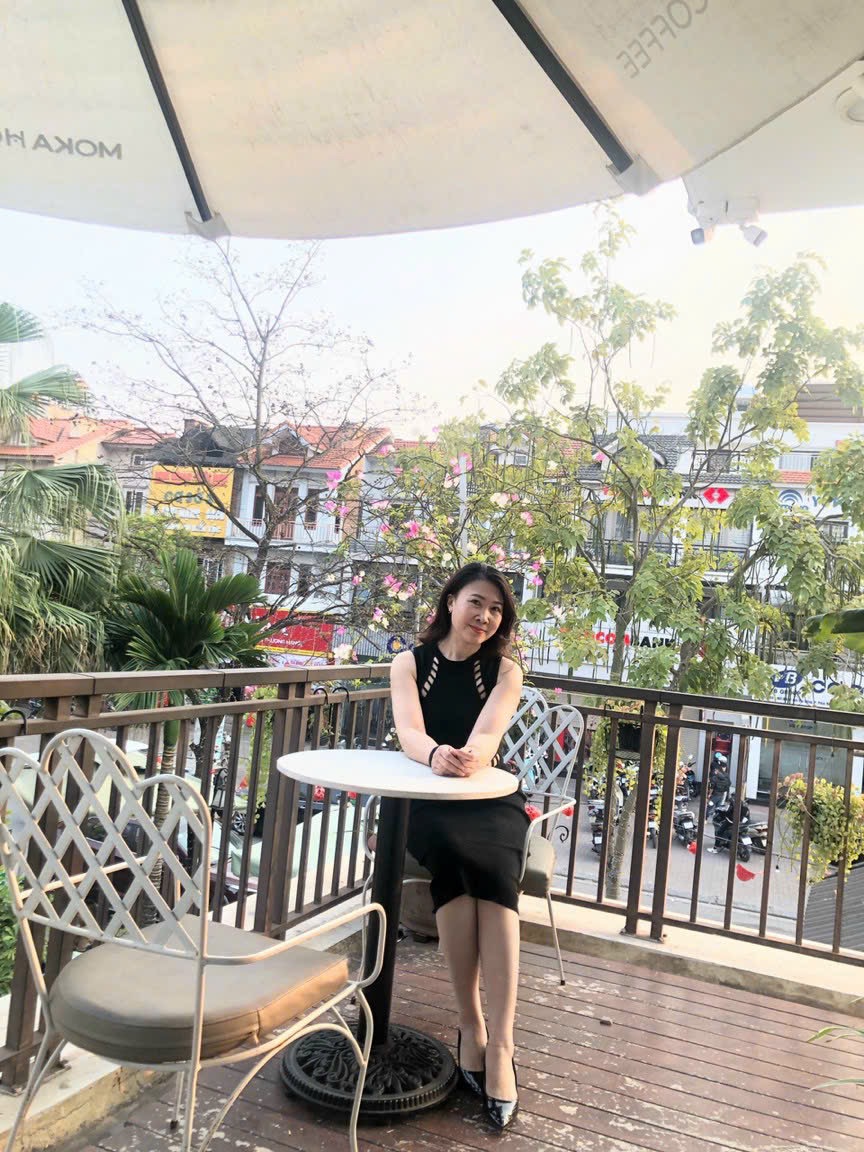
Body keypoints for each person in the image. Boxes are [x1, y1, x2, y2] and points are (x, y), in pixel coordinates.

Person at [390, 562, 525, 1130]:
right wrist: (434, 755)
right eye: (476, 602)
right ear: (451, 602)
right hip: (427, 794)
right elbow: (409, 731)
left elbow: (489, 733)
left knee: (491, 870)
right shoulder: (409, 663)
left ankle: (502, 1043)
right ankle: (471, 1024)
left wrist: (468, 758)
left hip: (489, 794)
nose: (485, 617)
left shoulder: (505, 671)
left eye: (496, 610)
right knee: (453, 856)